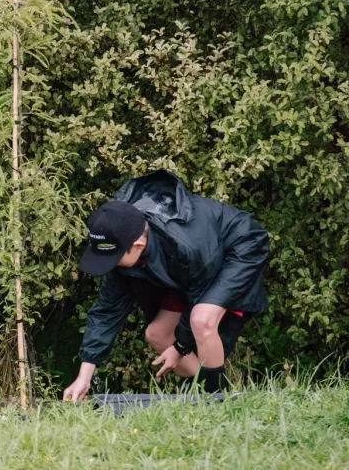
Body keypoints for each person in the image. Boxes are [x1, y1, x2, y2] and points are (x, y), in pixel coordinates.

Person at [62, 169, 270, 402]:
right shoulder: (123, 243)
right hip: (189, 269)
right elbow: (106, 312)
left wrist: (180, 347)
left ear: (138, 244)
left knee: (202, 320)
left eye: (112, 257)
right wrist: (84, 376)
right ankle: (211, 395)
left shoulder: (187, 244)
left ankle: (215, 405)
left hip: (238, 248)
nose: (108, 264)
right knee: (157, 334)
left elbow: (199, 293)